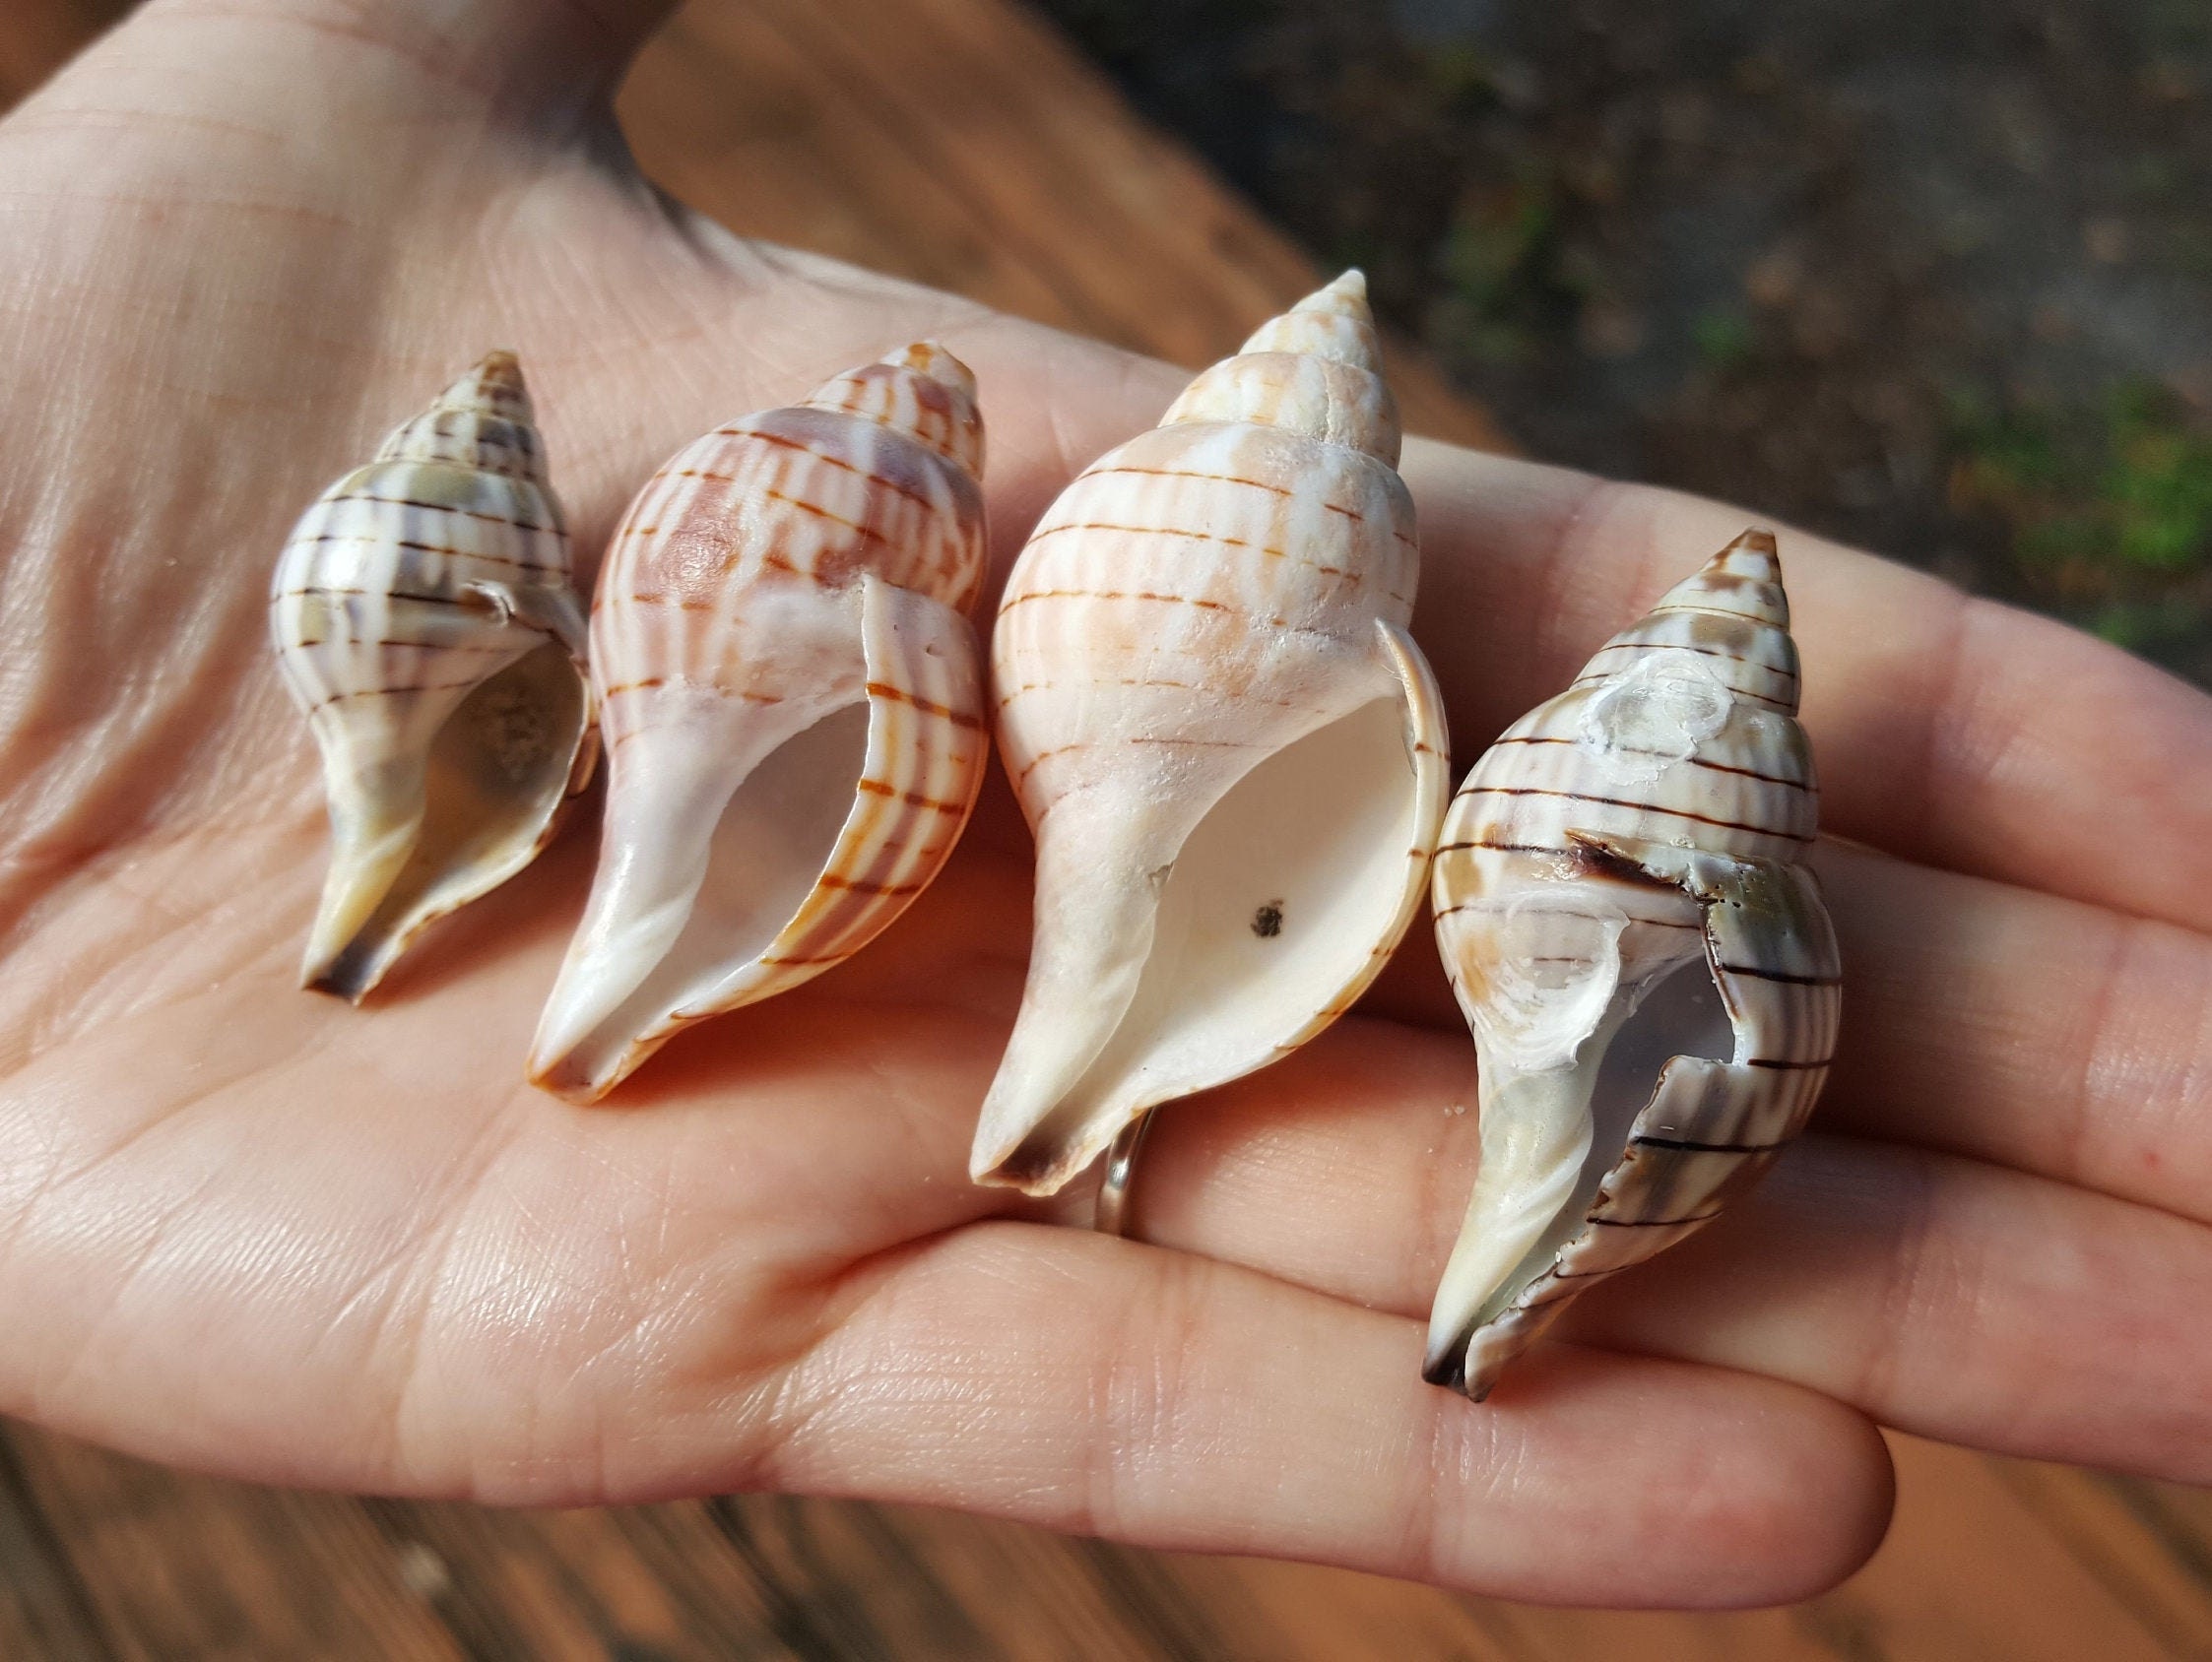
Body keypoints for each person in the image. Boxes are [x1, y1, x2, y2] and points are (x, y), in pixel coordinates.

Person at [0, 0, 2205, 1611]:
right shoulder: (927, 614)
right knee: (707, 854)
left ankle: (1112, 1103)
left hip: (1346, 726)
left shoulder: (1205, 654)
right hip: (1198, 681)